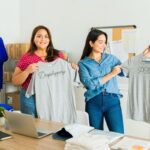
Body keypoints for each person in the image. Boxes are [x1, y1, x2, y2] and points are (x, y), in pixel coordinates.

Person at [12, 25, 77, 117]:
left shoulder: (58, 55)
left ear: (49, 39)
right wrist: (27, 71)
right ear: (33, 39)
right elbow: (15, 81)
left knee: (50, 124)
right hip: (30, 98)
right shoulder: (26, 57)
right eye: (39, 36)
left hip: (51, 95)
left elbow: (64, 73)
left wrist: (72, 67)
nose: (43, 39)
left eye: (46, 36)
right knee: (32, 126)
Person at [78, 29, 124, 133]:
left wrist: (143, 58)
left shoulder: (111, 58)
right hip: (93, 102)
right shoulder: (83, 64)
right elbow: (90, 85)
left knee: (118, 135)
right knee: (96, 137)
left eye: (105, 42)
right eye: (100, 42)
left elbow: (124, 71)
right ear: (91, 43)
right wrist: (111, 74)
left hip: (112, 101)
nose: (104, 45)